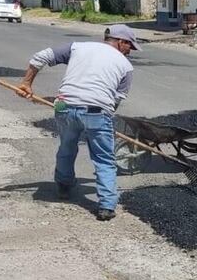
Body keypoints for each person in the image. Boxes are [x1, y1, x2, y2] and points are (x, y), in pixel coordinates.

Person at [16, 25, 140, 222]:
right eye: (130, 47)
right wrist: (103, 122)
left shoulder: (77, 47)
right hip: (97, 112)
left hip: (65, 107)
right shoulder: (125, 66)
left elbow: (40, 57)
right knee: (104, 159)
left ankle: (64, 187)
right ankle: (107, 205)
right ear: (121, 41)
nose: (130, 52)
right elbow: (116, 100)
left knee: (67, 147)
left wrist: (26, 83)